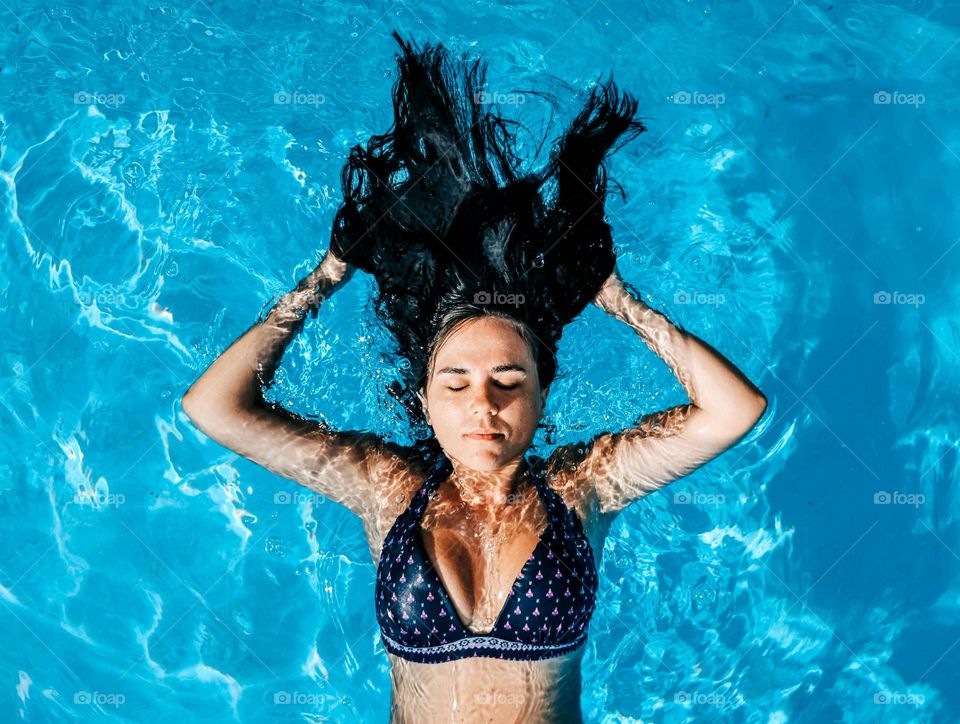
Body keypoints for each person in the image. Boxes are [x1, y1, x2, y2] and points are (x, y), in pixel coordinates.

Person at [182, 32, 767, 724]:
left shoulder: (586, 489)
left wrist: (622, 302)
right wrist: (324, 278)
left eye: (508, 381)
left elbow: (734, 411)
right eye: (455, 384)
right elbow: (214, 408)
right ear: (424, 398)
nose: (482, 404)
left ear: (542, 392)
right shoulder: (384, 489)